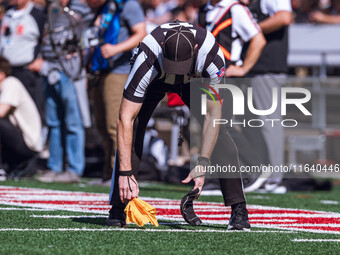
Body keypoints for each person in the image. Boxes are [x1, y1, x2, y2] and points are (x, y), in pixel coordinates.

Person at [106, 21, 250, 230]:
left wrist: (202, 164)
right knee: (134, 127)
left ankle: (239, 208)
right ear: (163, 47)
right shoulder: (147, 55)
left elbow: (212, 117)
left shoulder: (211, 57)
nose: (178, 71)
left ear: (195, 50)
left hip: (194, 80)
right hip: (157, 77)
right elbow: (124, 118)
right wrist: (125, 174)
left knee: (222, 136)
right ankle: (118, 206)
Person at [198, 0, 267, 192]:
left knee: (220, 126)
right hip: (207, 77)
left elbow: (258, 39)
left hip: (226, 75)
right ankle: (217, 176)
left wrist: (244, 68)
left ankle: (255, 168)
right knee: (209, 125)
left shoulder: (235, 9)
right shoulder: (205, 10)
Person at [86, 0, 146, 186]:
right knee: (102, 126)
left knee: (115, 125)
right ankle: (107, 173)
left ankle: (117, 174)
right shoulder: (103, 8)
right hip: (101, 72)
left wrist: (116, 49)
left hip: (118, 72)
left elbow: (142, 34)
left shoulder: (128, 5)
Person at [32, 0, 92, 183]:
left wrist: (83, 67)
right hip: (48, 70)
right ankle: (55, 166)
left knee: (73, 122)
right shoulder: (48, 9)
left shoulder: (80, 9)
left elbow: (88, 37)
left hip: (70, 73)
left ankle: (74, 169)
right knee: (53, 121)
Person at [240, 0, 293, 193]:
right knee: (251, 123)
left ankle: (273, 178)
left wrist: (248, 29)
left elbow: (284, 17)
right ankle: (261, 174)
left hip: (267, 67)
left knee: (268, 121)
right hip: (253, 68)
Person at [0, 0, 45, 119]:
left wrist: (43, 59)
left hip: (26, 71)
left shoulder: (38, 14)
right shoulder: (7, 13)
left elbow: (46, 39)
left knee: (30, 112)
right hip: (7, 72)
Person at [0, 56, 42, 175]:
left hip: (28, 144)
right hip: (16, 141)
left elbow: (1, 112)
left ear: (1, 74)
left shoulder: (10, 83)